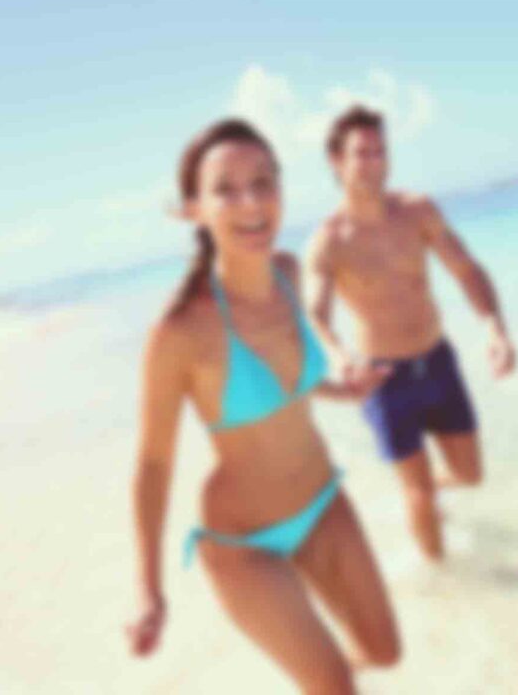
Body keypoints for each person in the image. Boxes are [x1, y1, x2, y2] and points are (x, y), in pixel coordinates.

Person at [126, 118, 400, 693]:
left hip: (322, 501)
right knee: (336, 686)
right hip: (244, 543)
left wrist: (341, 391)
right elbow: (153, 463)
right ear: (195, 210)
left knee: (384, 651)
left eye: (262, 182)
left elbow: (284, 387)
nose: (251, 202)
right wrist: (148, 588)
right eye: (225, 189)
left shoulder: (288, 273)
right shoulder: (180, 332)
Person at [304, 105, 516, 563]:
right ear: (337, 162)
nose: (374, 162)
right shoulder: (329, 241)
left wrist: (494, 327)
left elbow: (465, 268)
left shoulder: (417, 211)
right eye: (361, 153)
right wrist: (339, 356)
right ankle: (444, 582)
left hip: (437, 361)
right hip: (383, 380)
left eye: (380, 151)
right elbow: (315, 314)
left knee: (470, 474)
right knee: (417, 493)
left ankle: (424, 495)